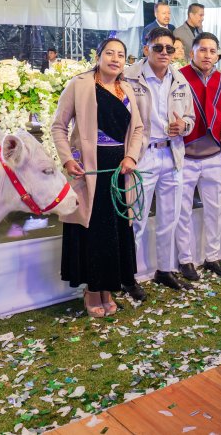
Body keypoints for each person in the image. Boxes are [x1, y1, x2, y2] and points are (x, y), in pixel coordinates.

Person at [51, 37, 144, 318]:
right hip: (88, 170)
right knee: (92, 230)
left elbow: (138, 129)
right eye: (110, 53)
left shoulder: (127, 88)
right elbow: (58, 126)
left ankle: (108, 288)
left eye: (121, 55)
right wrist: (67, 159)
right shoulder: (79, 85)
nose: (115, 59)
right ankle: (92, 290)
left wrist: (131, 157)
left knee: (114, 229)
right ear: (98, 56)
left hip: (119, 170)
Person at [123, 27, 194, 294]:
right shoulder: (128, 77)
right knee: (136, 220)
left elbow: (190, 118)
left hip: (172, 154)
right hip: (143, 156)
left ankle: (164, 270)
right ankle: (128, 276)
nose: (164, 52)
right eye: (158, 47)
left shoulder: (180, 79)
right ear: (146, 49)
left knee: (169, 219)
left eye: (169, 48)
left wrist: (183, 126)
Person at [178, 32, 221, 278]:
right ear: (192, 52)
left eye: (212, 51)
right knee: (182, 212)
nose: (207, 55)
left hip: (213, 156)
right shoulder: (178, 77)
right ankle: (185, 260)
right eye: (202, 50)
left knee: (215, 210)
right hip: (185, 156)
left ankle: (212, 257)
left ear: (217, 55)